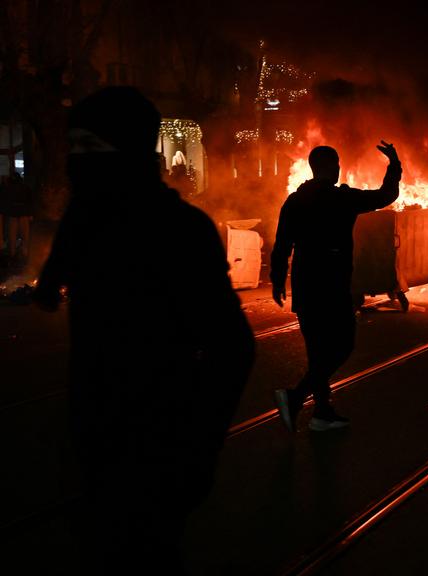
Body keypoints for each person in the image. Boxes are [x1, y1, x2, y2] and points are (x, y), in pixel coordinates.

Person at [32, 86, 254, 575]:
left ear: (126, 148)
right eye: (74, 146)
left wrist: (202, 442)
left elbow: (233, 347)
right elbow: (60, 264)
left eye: (90, 146)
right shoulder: (87, 217)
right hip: (95, 427)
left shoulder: (180, 229)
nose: (77, 160)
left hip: (161, 434)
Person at [271, 142, 401, 432]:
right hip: (332, 286)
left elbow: (282, 245)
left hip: (305, 286)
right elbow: (385, 196)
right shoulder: (341, 198)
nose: (339, 169)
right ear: (331, 167)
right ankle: (296, 397)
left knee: (317, 351)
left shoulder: (295, 201)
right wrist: (394, 163)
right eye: (337, 164)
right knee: (343, 345)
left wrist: (278, 280)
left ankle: (322, 412)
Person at [0, 171, 35, 265]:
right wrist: (30, 214)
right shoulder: (25, 188)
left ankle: (13, 255)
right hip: (22, 214)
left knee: (13, 236)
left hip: (14, 214)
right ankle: (23, 255)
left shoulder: (8, 188)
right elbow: (30, 201)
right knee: (24, 236)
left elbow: (5, 201)